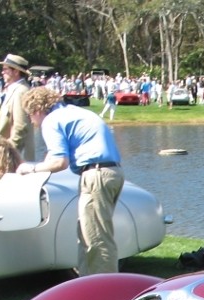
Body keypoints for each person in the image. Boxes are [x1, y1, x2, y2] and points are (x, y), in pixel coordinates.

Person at [17, 87, 125, 276]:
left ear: (36, 110)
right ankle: (84, 286)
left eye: (29, 116)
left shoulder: (51, 121)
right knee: (85, 234)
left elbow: (60, 162)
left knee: (97, 240)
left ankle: (107, 292)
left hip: (95, 174)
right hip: (112, 171)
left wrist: (31, 168)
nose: (31, 121)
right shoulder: (73, 113)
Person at [0, 53, 35, 161]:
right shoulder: (16, 89)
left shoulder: (20, 91)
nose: (2, 72)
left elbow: (21, 126)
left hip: (17, 156)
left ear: (16, 72)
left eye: (5, 69)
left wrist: (9, 152)